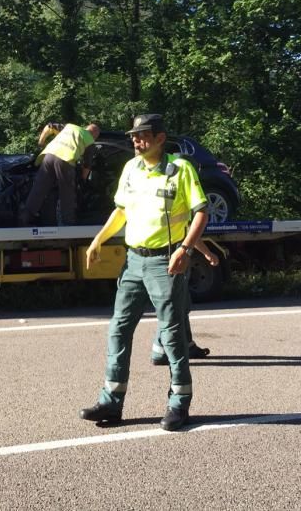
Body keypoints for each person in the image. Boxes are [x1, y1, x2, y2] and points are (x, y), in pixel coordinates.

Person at [80, 113, 209, 432]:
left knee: (172, 334)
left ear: (160, 138)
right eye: (134, 136)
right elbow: (121, 210)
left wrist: (185, 249)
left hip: (165, 262)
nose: (137, 141)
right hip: (133, 262)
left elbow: (201, 212)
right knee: (118, 329)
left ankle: (179, 403)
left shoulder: (180, 170)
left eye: (144, 135)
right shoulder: (131, 169)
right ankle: (111, 401)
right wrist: (99, 238)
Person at [150, 237, 216, 366]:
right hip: (175, 262)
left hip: (168, 261)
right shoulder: (178, 217)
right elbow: (191, 233)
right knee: (174, 307)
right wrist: (207, 253)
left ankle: (188, 345)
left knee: (180, 306)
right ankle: (159, 350)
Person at [20, 121, 100, 226]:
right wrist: (83, 179)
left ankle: (24, 218)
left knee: (39, 189)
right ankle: (68, 224)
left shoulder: (70, 127)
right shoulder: (90, 141)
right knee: (67, 193)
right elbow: (87, 164)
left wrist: (41, 142)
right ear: (95, 135)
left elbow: (49, 126)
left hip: (48, 156)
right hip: (65, 161)